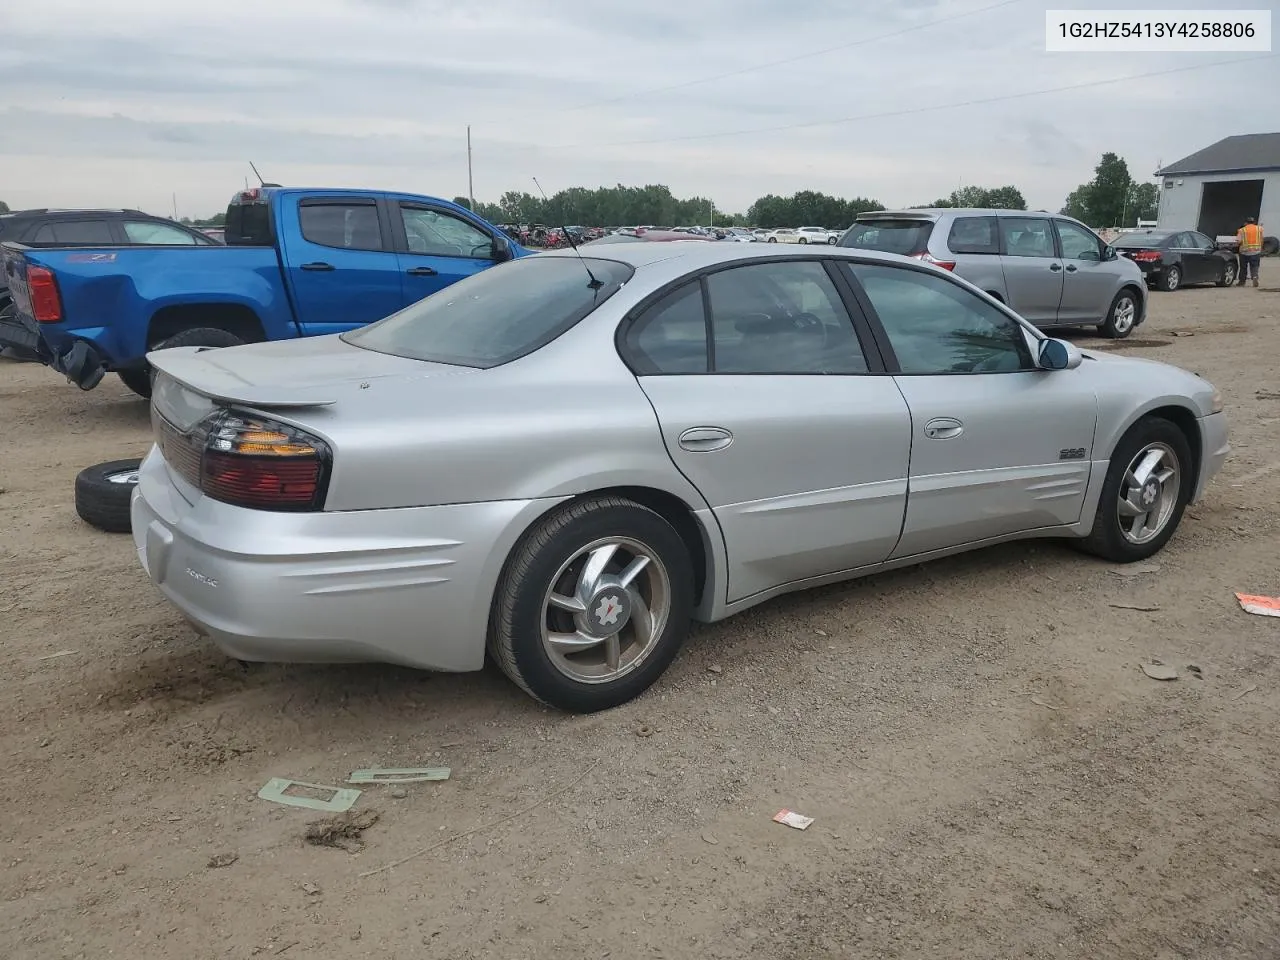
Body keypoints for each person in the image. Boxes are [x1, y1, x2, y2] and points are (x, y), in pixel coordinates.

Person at [1236, 217, 1264, 287]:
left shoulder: (1241, 230)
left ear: (1246, 223)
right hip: (1256, 251)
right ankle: (1254, 277)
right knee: (1255, 266)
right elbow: (1262, 239)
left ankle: (1242, 282)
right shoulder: (1259, 229)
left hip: (1244, 252)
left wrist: (1237, 245)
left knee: (1243, 267)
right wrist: (1260, 248)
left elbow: (1239, 241)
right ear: (1254, 222)